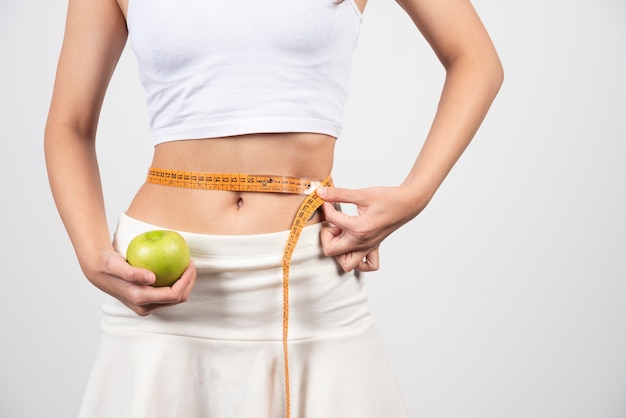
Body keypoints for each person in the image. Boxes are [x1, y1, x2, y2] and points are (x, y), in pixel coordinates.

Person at [44, 0, 503, 416]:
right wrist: (90, 252)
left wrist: (415, 194)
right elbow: (70, 122)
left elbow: (476, 59)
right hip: (163, 295)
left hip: (308, 280)